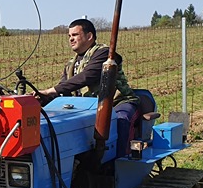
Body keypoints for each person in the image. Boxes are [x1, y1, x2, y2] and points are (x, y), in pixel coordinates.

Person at [35, 18, 139, 157]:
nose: (71, 39)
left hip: (117, 102)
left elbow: (87, 76)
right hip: (87, 107)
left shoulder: (105, 54)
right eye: (69, 36)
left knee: (120, 120)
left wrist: (50, 90)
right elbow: (64, 87)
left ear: (89, 36)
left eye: (75, 35)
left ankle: (121, 163)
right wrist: (41, 98)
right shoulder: (71, 64)